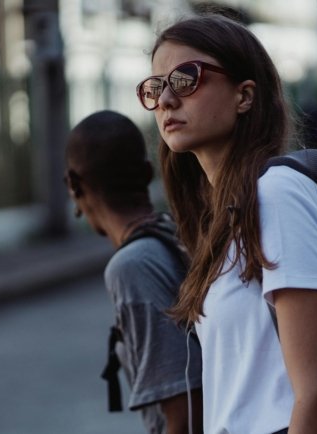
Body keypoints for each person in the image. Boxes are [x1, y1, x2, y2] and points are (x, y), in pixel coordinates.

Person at [135, 14, 317, 434]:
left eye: (186, 78)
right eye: (155, 86)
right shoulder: (227, 213)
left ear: (244, 95)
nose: (166, 100)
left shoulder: (278, 197)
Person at [63, 110, 203, 434]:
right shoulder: (174, 233)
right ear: (147, 172)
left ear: (73, 184)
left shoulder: (133, 266)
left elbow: (183, 414)